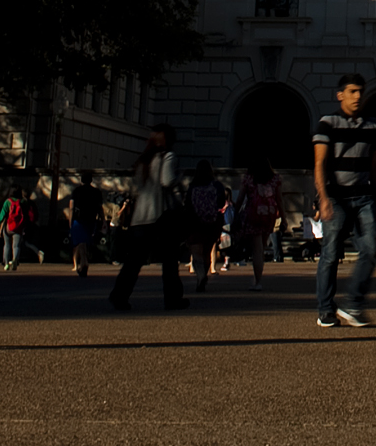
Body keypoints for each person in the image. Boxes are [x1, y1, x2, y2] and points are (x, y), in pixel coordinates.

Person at [313, 73, 376, 328]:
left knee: (371, 249)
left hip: (363, 196)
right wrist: (323, 198)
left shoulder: (373, 126)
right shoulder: (328, 124)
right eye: (352, 91)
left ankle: (353, 302)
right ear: (340, 94)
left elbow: (375, 166)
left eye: (360, 92)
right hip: (336, 196)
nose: (357, 97)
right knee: (330, 254)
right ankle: (325, 309)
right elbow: (319, 163)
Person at [109, 124, 188, 310]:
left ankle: (119, 295)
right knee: (169, 261)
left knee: (134, 261)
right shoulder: (168, 157)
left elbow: (135, 187)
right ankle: (173, 298)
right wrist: (179, 178)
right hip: (161, 214)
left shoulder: (143, 160)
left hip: (141, 216)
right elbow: (167, 180)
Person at [233, 161, 284, 290]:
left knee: (257, 249)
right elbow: (279, 199)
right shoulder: (274, 179)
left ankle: (257, 280)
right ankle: (257, 276)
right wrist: (284, 217)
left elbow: (240, 198)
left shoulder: (249, 179)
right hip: (269, 214)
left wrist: (235, 215)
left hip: (253, 214)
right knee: (262, 246)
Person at [182, 160, 227, 291]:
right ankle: (203, 275)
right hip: (212, 222)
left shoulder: (193, 186)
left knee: (196, 253)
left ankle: (200, 275)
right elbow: (221, 203)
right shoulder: (217, 185)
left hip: (196, 222)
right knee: (207, 251)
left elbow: (188, 204)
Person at [65, 171, 103, 278]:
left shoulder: (77, 191)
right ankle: (84, 261)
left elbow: (71, 207)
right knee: (85, 240)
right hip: (91, 219)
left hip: (79, 219)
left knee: (81, 241)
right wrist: (102, 220)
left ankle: (84, 261)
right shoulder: (96, 192)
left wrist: (70, 221)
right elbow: (100, 208)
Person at [0, 187, 30, 271]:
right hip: (18, 227)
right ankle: (15, 260)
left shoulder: (7, 202)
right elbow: (26, 216)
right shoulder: (22, 202)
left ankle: (6, 264)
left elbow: (2, 214)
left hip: (8, 227)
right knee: (16, 246)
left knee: (7, 245)